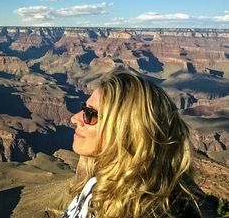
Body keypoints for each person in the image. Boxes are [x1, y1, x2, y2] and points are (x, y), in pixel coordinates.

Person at [62, 70, 216, 218]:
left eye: (90, 114)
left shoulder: (152, 212)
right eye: (84, 109)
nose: (74, 119)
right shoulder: (102, 186)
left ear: (127, 130)